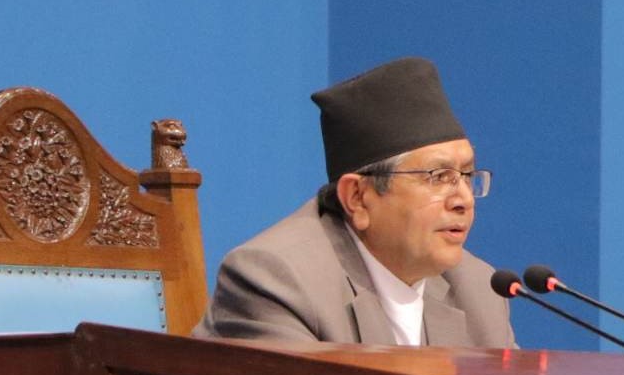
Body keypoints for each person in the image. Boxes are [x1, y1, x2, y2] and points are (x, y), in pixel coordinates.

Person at [194, 56, 515, 346]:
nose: (463, 200)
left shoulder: (479, 291)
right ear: (358, 198)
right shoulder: (279, 282)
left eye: (466, 175)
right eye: (438, 177)